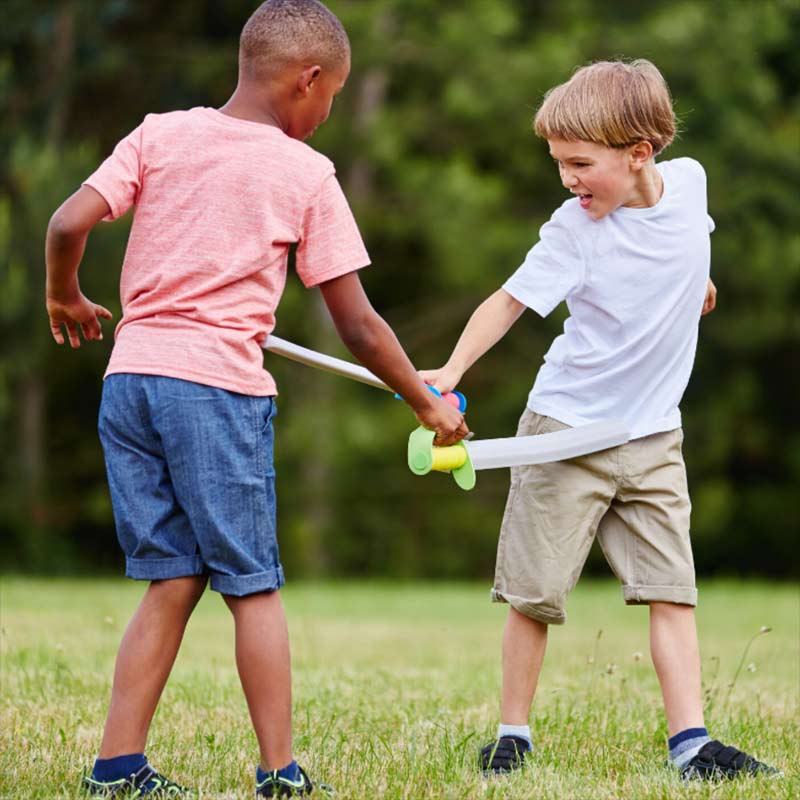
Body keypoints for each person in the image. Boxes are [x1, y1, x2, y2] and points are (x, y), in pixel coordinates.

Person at [45, 1, 468, 797]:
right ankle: (282, 774)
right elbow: (360, 326)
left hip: (130, 381)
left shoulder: (159, 133)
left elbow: (69, 220)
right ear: (308, 80)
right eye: (333, 95)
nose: (329, 111)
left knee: (172, 576)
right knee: (254, 581)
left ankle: (116, 766)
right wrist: (426, 403)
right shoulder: (305, 173)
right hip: (213, 388)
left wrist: (65, 295)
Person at [422, 59, 780, 782]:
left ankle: (692, 744)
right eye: (559, 163)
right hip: (567, 429)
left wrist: (695, 280)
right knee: (535, 591)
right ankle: (513, 735)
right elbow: (509, 302)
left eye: (580, 164)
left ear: (640, 154)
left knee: (671, 588)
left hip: (652, 434)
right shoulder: (573, 231)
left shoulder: (691, 183)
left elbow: (689, 237)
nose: (567, 180)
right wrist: (450, 373)